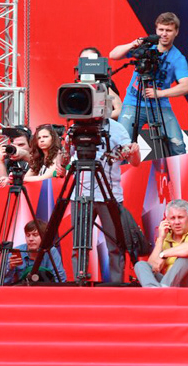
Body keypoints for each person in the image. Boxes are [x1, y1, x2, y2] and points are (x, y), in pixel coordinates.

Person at [61, 118, 141, 282]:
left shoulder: (117, 128)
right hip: (80, 194)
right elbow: (63, 161)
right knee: (79, 245)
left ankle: (116, 285)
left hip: (110, 194)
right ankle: (79, 282)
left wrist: (134, 151)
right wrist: (64, 149)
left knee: (115, 245)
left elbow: (135, 162)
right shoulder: (75, 127)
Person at [110, 12, 188, 157]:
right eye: (161, 30)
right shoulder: (146, 46)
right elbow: (113, 55)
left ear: (176, 32)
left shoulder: (177, 58)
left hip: (160, 104)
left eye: (169, 30)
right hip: (133, 103)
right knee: (121, 146)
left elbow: (187, 86)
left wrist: (160, 93)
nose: (164, 34)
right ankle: (120, 172)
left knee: (178, 145)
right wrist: (133, 44)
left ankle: (177, 172)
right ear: (156, 29)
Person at [134, 198, 188, 288]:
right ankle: (153, 290)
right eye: (172, 218)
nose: (176, 222)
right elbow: (153, 267)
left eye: (180, 217)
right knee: (141, 265)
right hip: (173, 287)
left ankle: (162, 291)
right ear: (166, 221)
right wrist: (160, 239)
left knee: (187, 255)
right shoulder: (165, 238)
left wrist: (164, 254)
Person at [4, 220, 66, 284]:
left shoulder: (51, 251)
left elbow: (61, 280)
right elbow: (3, 283)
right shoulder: (16, 251)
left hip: (46, 288)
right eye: (28, 235)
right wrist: (10, 269)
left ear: (44, 237)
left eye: (35, 235)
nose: (30, 239)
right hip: (22, 289)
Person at [79, 47, 123, 120]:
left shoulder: (104, 84)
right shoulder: (79, 85)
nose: (86, 64)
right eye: (83, 60)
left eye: (88, 60)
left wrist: (99, 117)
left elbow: (119, 110)